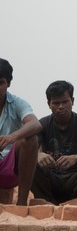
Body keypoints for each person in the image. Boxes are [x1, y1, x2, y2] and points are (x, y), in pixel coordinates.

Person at [32, 80, 77, 205]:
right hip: (51, 178)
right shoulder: (42, 124)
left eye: (65, 102)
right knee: (31, 164)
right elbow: (29, 148)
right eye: (56, 103)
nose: (61, 106)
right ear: (49, 104)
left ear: (72, 101)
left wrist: (76, 158)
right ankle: (45, 202)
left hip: (75, 178)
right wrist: (38, 155)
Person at [0, 58, 41, 206]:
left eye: (0, 83)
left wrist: (12, 137)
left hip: (9, 167)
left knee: (30, 140)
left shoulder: (17, 103)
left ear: (8, 84)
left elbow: (35, 124)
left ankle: (22, 203)